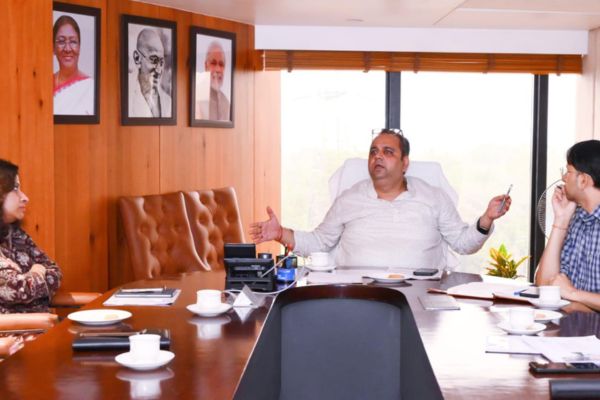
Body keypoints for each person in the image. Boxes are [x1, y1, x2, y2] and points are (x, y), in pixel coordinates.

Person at [250, 130, 511, 269]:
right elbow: (319, 242)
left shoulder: (433, 197)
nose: (378, 156)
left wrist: (486, 218)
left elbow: (463, 244)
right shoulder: (349, 199)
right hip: (357, 297)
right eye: (374, 151)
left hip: (421, 296)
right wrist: (280, 233)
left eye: (388, 152)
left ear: (405, 163)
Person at [535, 140, 600, 310]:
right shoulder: (577, 219)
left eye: (568, 171)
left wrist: (572, 293)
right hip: (576, 323)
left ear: (583, 180)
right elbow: (544, 284)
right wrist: (561, 220)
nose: (564, 178)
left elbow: (567, 292)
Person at [0, 159, 62, 314]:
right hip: (18, 328)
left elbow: (55, 272)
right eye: (15, 188)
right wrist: (36, 272)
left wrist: (31, 279)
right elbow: (16, 290)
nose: (25, 197)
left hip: (39, 323)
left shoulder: (15, 234)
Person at [53, 15, 94, 115]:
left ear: (79, 47)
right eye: (61, 41)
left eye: (73, 42)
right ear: (53, 48)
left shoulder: (90, 87)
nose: (67, 49)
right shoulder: (44, 85)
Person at [129, 28, 172, 118]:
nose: (159, 70)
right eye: (153, 60)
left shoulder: (168, 102)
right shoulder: (127, 93)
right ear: (137, 58)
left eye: (161, 62)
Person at [195, 41, 230, 121]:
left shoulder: (226, 103)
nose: (217, 69)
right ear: (206, 66)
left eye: (221, 64)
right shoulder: (196, 97)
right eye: (213, 63)